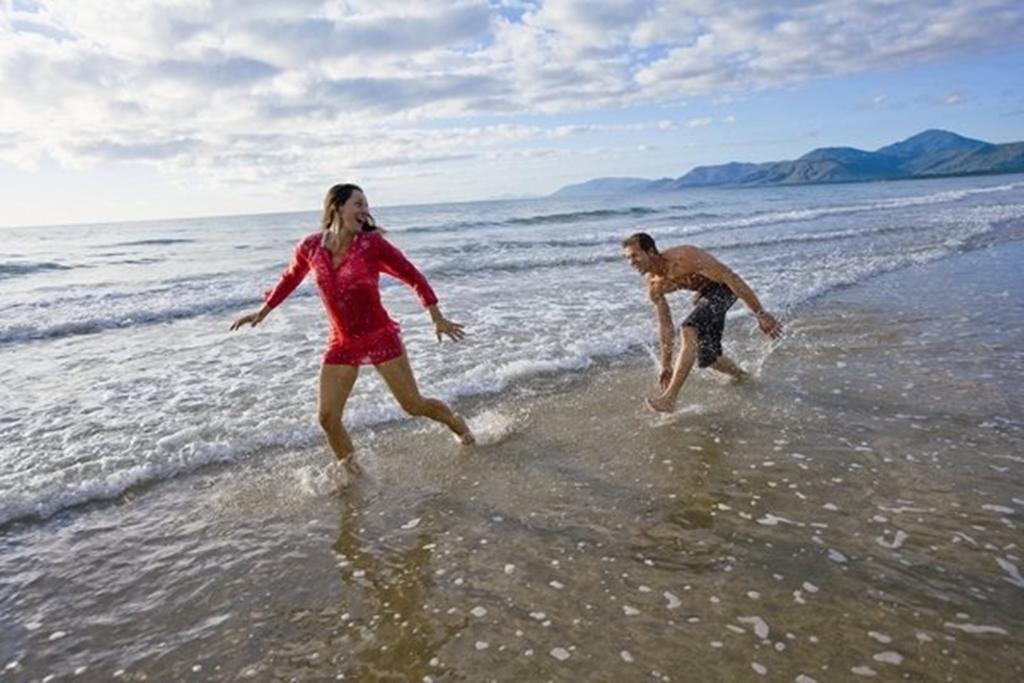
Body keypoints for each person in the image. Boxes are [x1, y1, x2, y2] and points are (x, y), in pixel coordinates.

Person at [231, 183, 474, 488]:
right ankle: (354, 475)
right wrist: (263, 312)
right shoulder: (310, 247)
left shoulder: (372, 245)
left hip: (379, 336)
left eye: (366, 205)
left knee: (412, 405)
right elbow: (290, 277)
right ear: (337, 207)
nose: (365, 211)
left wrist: (436, 316)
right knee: (328, 418)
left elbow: (412, 275)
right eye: (358, 204)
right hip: (342, 342)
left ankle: (455, 422)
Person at [621, 232, 782, 413]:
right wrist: (666, 364)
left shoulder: (685, 257)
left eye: (634, 255)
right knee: (708, 358)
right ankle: (742, 376)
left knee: (689, 328)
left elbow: (731, 277)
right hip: (705, 296)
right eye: (627, 258)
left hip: (725, 289)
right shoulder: (654, 285)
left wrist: (760, 313)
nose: (631, 262)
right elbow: (665, 326)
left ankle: (669, 399)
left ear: (650, 251)